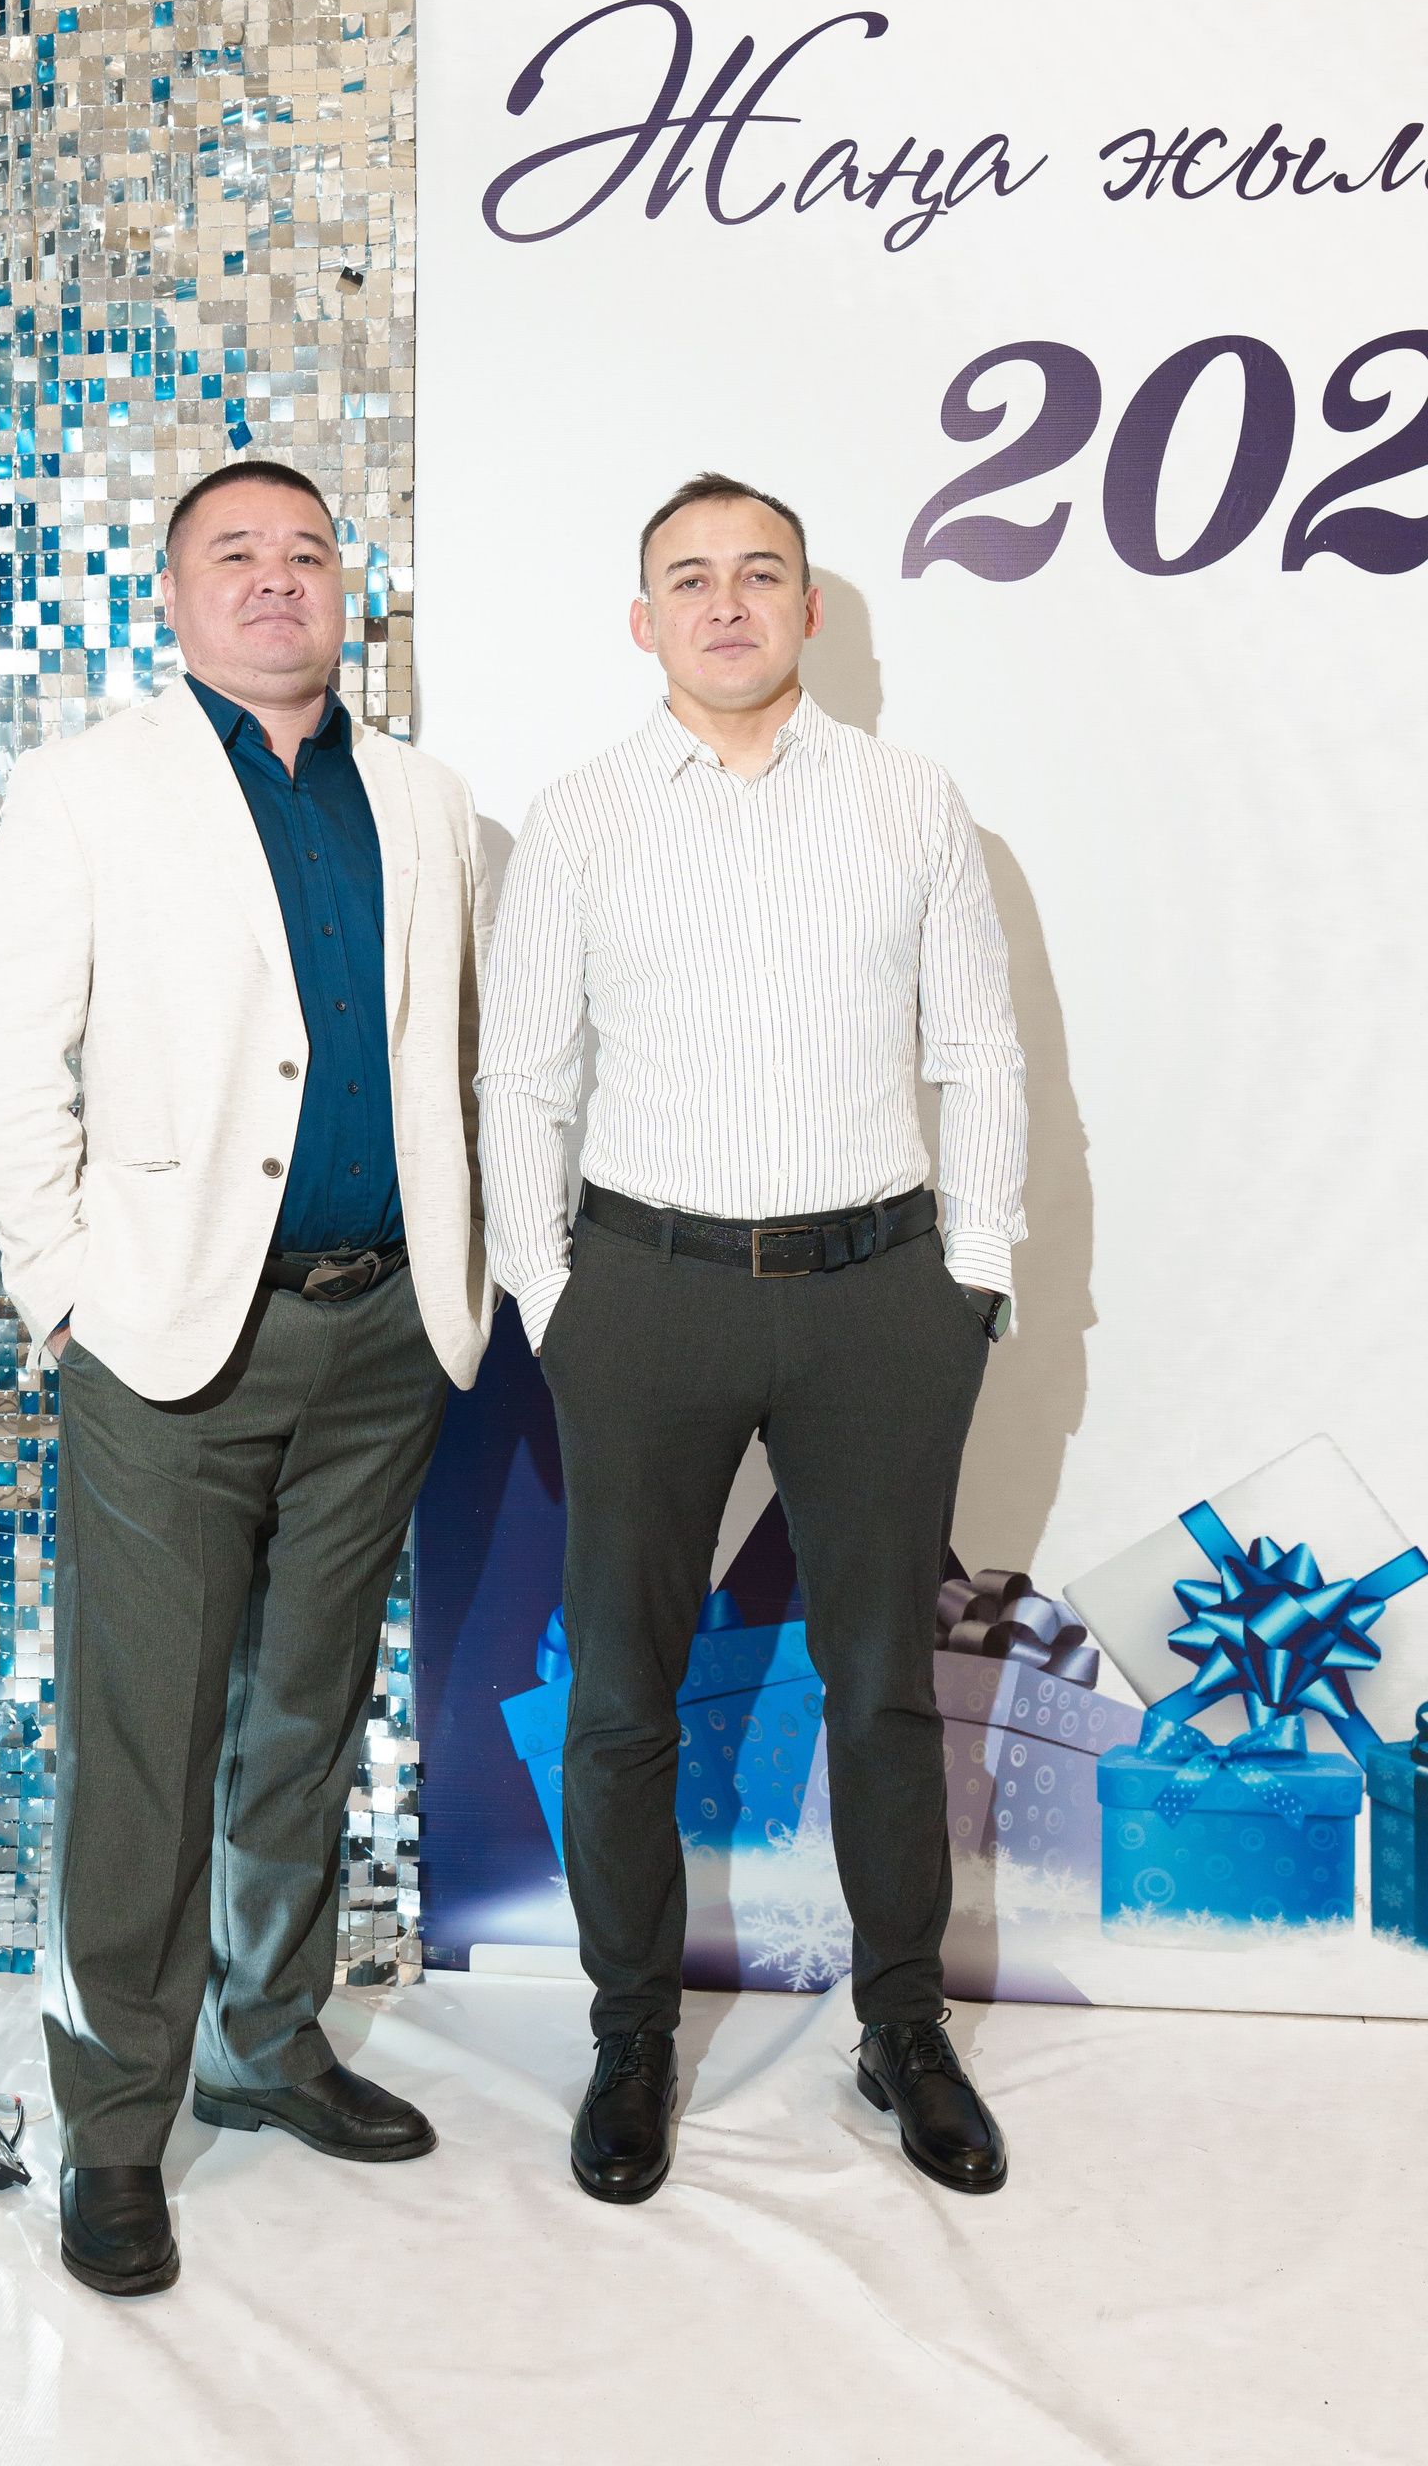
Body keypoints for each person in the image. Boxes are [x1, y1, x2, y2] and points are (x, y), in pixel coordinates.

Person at [0, 459, 493, 2297]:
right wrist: (62, 1289)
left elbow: (452, 1053)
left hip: (386, 1335)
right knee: (146, 1738)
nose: (277, 579)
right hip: (173, 1335)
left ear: (349, 590)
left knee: (306, 1715)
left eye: (307, 552)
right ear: (174, 599)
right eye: (235, 554)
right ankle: (118, 2124)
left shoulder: (423, 799)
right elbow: (9, 1049)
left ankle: (268, 2044)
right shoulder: (86, 787)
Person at [476, 470, 1026, 2207]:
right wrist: (553, 1297)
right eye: (693, 578)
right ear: (644, 622)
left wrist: (972, 1280)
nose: (728, 602)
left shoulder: (910, 800)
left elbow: (979, 1053)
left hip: (881, 1296)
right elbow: (522, 1079)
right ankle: (630, 2034)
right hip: (646, 1292)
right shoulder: (579, 817)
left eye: (761, 573)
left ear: (808, 609)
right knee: (621, 1689)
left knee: (883, 1686)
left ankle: (903, 2025)